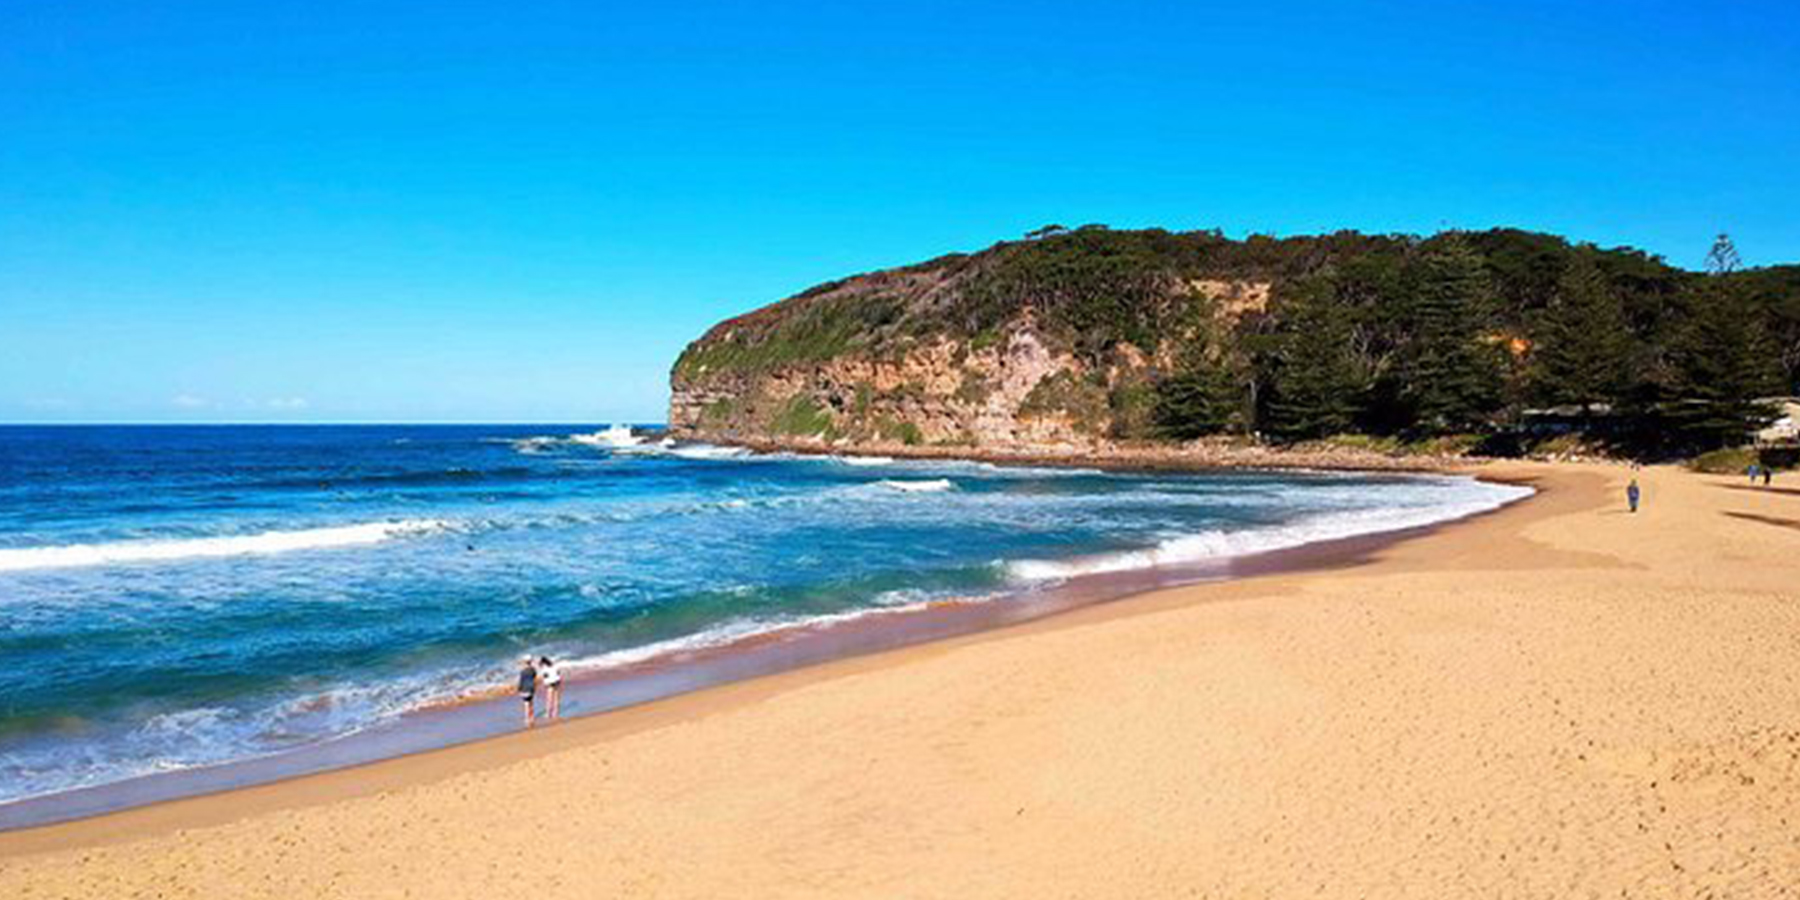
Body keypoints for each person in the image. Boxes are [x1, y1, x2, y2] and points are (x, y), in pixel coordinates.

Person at [538, 655, 563, 721]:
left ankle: (548, 714)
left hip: (550, 684)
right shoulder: (554, 666)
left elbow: (545, 677)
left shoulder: (544, 669)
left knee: (549, 699)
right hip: (557, 682)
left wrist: (544, 685)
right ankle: (556, 713)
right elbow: (559, 673)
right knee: (556, 699)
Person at [516, 656, 538, 728]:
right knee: (531, 703)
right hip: (531, 688)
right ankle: (532, 717)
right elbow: (534, 677)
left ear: (525, 663)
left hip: (525, 688)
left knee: (526, 704)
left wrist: (519, 689)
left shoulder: (523, 671)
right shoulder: (533, 670)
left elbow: (521, 681)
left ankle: (527, 718)